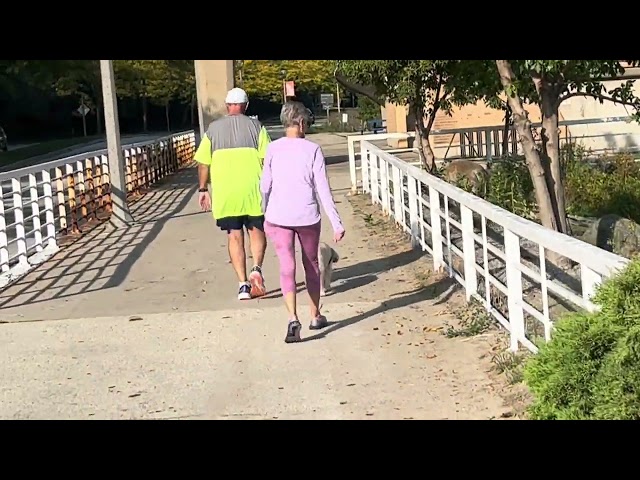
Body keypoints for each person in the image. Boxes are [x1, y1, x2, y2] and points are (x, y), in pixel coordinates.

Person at [260, 101, 346, 343]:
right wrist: (336, 223)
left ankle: (292, 318)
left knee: (287, 267)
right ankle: (315, 314)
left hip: (278, 216)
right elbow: (323, 190)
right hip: (307, 216)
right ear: (299, 122)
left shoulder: (273, 149)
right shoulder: (313, 150)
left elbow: (265, 186)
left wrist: (264, 213)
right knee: (311, 266)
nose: (307, 125)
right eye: (306, 121)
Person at [195, 87, 271, 301]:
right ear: (246, 106)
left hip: (226, 194)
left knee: (234, 236)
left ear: (228, 106)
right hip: (253, 192)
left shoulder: (213, 130)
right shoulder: (257, 127)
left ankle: (243, 285)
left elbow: (203, 163)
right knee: (256, 231)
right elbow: (268, 159)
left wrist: (203, 189)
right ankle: (256, 268)